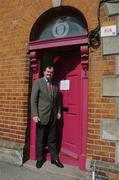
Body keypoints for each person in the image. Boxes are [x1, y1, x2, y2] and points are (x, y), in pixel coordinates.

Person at [31, 65, 64, 168]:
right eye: (48, 72)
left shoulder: (55, 84)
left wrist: (58, 111)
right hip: (41, 116)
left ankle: (54, 159)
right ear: (44, 72)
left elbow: (57, 100)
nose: (49, 74)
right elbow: (33, 100)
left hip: (53, 116)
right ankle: (40, 159)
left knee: (52, 139)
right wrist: (35, 114)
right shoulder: (38, 82)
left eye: (51, 72)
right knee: (40, 140)